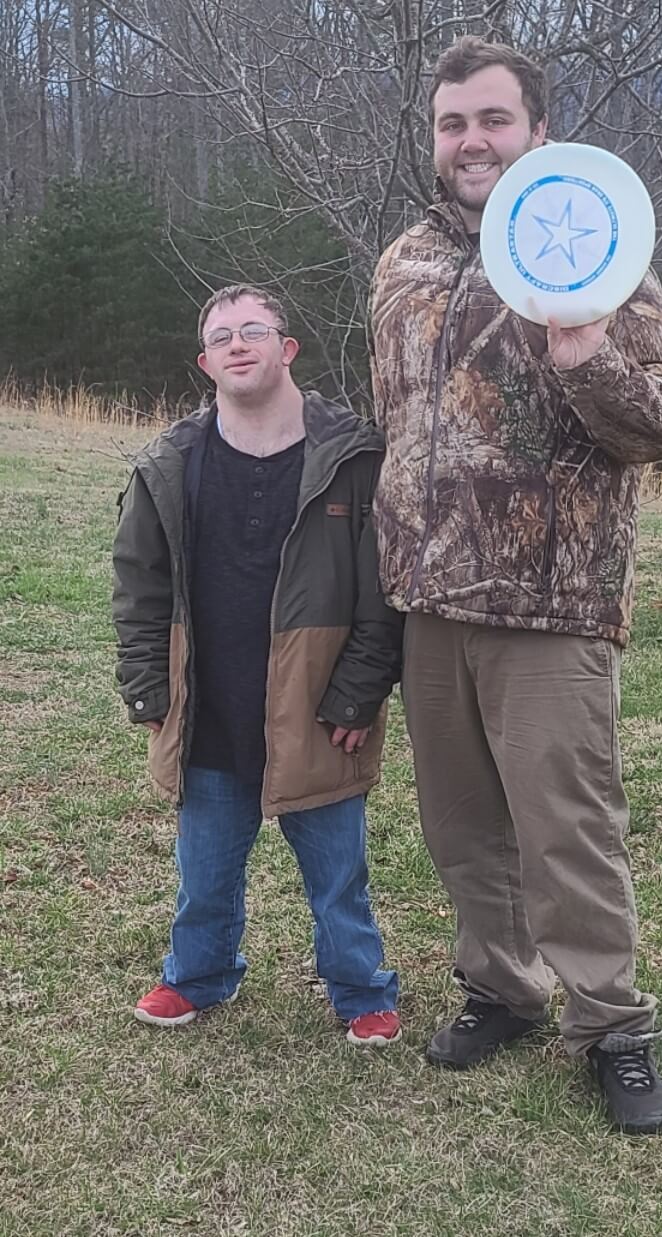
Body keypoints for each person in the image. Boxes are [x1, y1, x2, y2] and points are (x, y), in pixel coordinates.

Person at [369, 37, 662, 1131]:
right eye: (452, 123)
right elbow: (396, 422)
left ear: (537, 132)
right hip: (429, 602)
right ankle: (501, 990)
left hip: (551, 606)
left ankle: (610, 1026)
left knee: (567, 831)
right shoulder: (403, 263)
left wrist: (587, 357)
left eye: (492, 120)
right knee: (461, 828)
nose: (470, 141)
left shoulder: (598, 248)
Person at [112, 284, 403, 1046]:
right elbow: (138, 584)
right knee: (203, 873)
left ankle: (361, 989)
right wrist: (147, 685)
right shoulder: (169, 462)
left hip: (318, 707)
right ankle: (197, 975)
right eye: (221, 337)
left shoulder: (353, 458)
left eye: (253, 330)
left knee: (338, 876)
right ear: (204, 362)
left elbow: (383, 588)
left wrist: (358, 690)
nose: (237, 345)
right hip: (207, 706)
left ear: (287, 348)